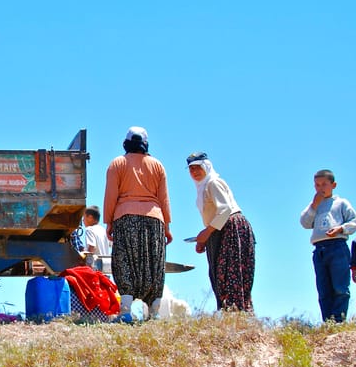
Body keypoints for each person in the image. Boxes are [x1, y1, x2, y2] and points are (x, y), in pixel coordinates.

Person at [103, 126, 173, 321]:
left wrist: (108, 222)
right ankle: (154, 312)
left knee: (124, 261)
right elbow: (164, 198)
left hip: (125, 218)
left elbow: (111, 196)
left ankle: (125, 310)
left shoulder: (117, 163)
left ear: (126, 143)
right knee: (154, 264)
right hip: (154, 219)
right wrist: (167, 227)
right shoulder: (157, 165)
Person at [186, 152, 256, 312]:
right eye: (191, 169)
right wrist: (205, 238)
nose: (194, 172)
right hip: (220, 230)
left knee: (230, 274)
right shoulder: (203, 187)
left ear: (206, 167)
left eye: (198, 167)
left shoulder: (213, 183)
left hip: (230, 229)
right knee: (220, 274)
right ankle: (232, 314)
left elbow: (225, 209)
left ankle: (236, 314)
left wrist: (208, 231)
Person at [299, 169, 356, 322]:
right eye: (317, 185)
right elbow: (305, 223)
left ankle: (339, 320)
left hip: (337, 246)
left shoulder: (341, 203)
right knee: (323, 288)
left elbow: (354, 222)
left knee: (340, 287)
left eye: (324, 184)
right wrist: (314, 205)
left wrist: (341, 229)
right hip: (319, 249)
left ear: (333, 185)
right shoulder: (314, 206)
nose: (321, 188)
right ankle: (328, 320)